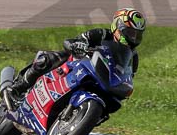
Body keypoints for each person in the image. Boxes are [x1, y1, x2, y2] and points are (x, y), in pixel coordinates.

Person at [8, 8, 146, 103]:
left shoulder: (133, 56)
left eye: (137, 35)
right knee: (47, 59)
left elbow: (129, 76)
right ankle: (18, 88)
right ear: (118, 27)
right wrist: (79, 45)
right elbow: (73, 41)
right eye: (129, 32)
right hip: (79, 63)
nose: (133, 38)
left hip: (101, 79)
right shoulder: (102, 34)